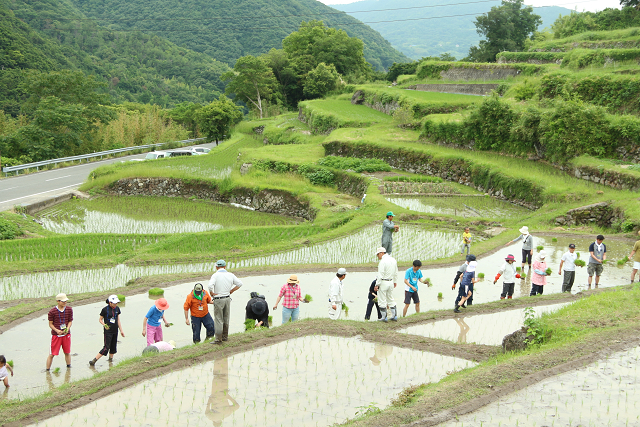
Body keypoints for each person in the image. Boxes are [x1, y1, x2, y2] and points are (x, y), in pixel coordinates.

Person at [208, 260, 243, 343]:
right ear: (225, 266)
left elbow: (210, 285)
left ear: (216, 267)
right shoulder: (230, 275)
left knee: (218, 319)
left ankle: (218, 339)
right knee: (226, 318)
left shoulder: (215, 275)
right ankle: (225, 337)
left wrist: (211, 292)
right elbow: (240, 284)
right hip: (227, 298)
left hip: (218, 299)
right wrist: (232, 291)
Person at [89, 295, 125, 366]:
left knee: (113, 346)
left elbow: (118, 320)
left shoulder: (117, 309)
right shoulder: (104, 310)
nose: (116, 304)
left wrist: (121, 330)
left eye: (116, 303)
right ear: (110, 302)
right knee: (106, 347)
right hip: (108, 331)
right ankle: (94, 361)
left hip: (115, 330)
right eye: (114, 303)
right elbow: (100, 319)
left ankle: (110, 361)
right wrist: (104, 324)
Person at [46, 293, 73, 371]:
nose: (65, 302)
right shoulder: (52, 312)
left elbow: (70, 321)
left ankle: (69, 368)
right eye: (63, 301)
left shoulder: (69, 309)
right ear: (58, 301)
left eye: (66, 301)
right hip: (56, 336)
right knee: (52, 354)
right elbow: (50, 324)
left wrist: (67, 328)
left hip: (66, 335)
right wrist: (57, 330)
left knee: (67, 352)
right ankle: (47, 370)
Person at [375, 247, 398, 322]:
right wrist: (395, 281)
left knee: (382, 300)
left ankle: (384, 317)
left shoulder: (383, 261)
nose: (377, 256)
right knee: (390, 298)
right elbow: (396, 272)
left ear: (381, 253)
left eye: (378, 254)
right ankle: (394, 316)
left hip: (383, 282)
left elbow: (380, 274)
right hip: (391, 282)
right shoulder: (393, 260)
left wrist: (377, 284)